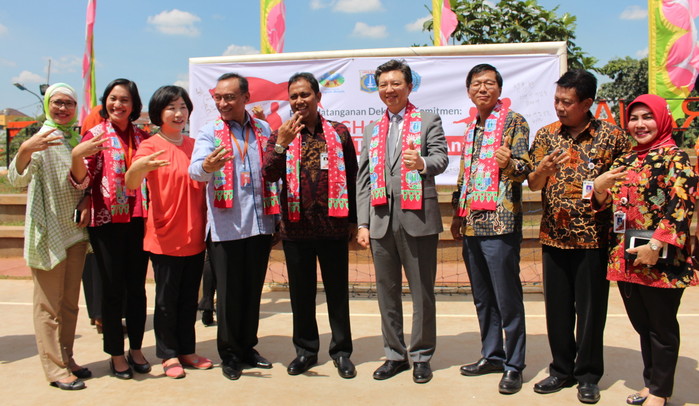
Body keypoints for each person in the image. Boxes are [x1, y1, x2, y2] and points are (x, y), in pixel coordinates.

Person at [528, 69, 629, 404]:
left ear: (587, 104)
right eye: (557, 100)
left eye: (567, 102)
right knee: (557, 310)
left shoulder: (613, 138)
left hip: (593, 240)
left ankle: (587, 375)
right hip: (554, 237)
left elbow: (624, 188)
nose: (559, 107)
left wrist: (602, 191)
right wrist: (541, 171)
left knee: (591, 312)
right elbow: (533, 184)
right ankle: (561, 369)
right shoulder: (546, 135)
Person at [593, 94, 697, 406]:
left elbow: (682, 205)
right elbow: (606, 204)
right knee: (643, 325)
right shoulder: (625, 160)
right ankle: (651, 384)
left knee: (661, 328)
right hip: (626, 258)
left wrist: (655, 244)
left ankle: (660, 392)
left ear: (662, 119)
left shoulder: (675, 159)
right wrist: (599, 188)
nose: (640, 125)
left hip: (661, 259)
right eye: (634, 118)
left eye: (647, 117)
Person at [356, 59, 448, 384]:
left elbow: (441, 158)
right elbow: (363, 179)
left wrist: (421, 162)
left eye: (396, 83)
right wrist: (363, 223)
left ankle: (421, 355)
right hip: (380, 221)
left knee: (422, 292)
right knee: (386, 292)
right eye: (383, 85)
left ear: (409, 86)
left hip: (418, 218)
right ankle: (395, 355)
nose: (389, 90)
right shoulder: (372, 129)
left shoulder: (427, 120)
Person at [262, 72, 358, 379]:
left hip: (333, 227)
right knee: (301, 295)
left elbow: (353, 177)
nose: (299, 100)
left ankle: (341, 351)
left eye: (305, 94)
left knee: (337, 293)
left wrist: (354, 221)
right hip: (296, 229)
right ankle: (305, 350)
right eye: (293, 96)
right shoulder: (281, 133)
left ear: (318, 96)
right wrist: (281, 144)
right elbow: (268, 174)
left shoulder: (339, 132)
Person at [189, 72, 278, 381]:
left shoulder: (263, 129)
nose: (223, 103)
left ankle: (248, 347)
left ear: (246, 98)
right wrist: (207, 166)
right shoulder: (209, 132)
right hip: (226, 226)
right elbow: (195, 171)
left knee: (252, 291)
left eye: (229, 97)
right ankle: (229, 354)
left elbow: (273, 171)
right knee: (228, 295)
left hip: (260, 223)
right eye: (218, 98)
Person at [450, 64, 531, 394]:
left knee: (507, 299)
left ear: (499, 89)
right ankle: (492, 355)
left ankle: (514, 365)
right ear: (468, 90)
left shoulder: (514, 122)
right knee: (483, 299)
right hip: (471, 225)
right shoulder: (471, 127)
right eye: (476, 84)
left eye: (488, 83)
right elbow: (464, 175)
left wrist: (508, 163)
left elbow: (525, 169)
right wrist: (457, 215)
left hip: (501, 224)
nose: (482, 89)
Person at [125, 85, 212, 379]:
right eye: (171, 108)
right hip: (164, 235)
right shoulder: (150, 145)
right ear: (158, 113)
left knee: (189, 300)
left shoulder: (195, 145)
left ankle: (187, 350)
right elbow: (131, 183)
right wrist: (139, 167)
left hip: (195, 233)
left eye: (183, 107)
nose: (178, 113)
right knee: (166, 301)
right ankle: (168, 354)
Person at [7, 83, 90, 390]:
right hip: (48, 230)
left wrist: (87, 198)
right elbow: (17, 180)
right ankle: (55, 369)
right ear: (47, 105)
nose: (63, 108)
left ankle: (67, 358)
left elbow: (84, 181)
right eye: (57, 102)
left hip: (75, 232)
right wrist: (25, 150)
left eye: (69, 103)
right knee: (48, 306)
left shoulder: (75, 139)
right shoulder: (40, 138)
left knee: (69, 304)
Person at [70, 78, 151, 380]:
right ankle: (116, 354)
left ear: (134, 105)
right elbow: (81, 180)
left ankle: (137, 349)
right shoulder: (95, 135)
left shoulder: (143, 137)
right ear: (105, 102)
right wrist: (78, 156)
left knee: (137, 289)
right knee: (112, 289)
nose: (118, 104)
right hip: (106, 222)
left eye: (124, 100)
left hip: (138, 220)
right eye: (113, 98)